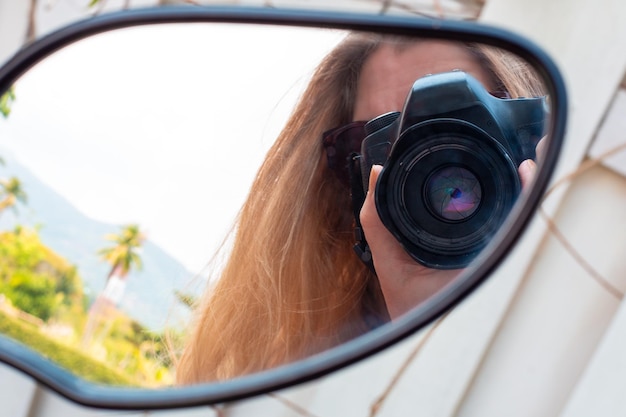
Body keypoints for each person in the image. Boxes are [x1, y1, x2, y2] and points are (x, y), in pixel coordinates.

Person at [175, 32, 546, 384]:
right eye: (380, 141)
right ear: (350, 190)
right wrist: (422, 331)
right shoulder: (307, 376)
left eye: (464, 127)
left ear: (535, 139)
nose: (434, 170)